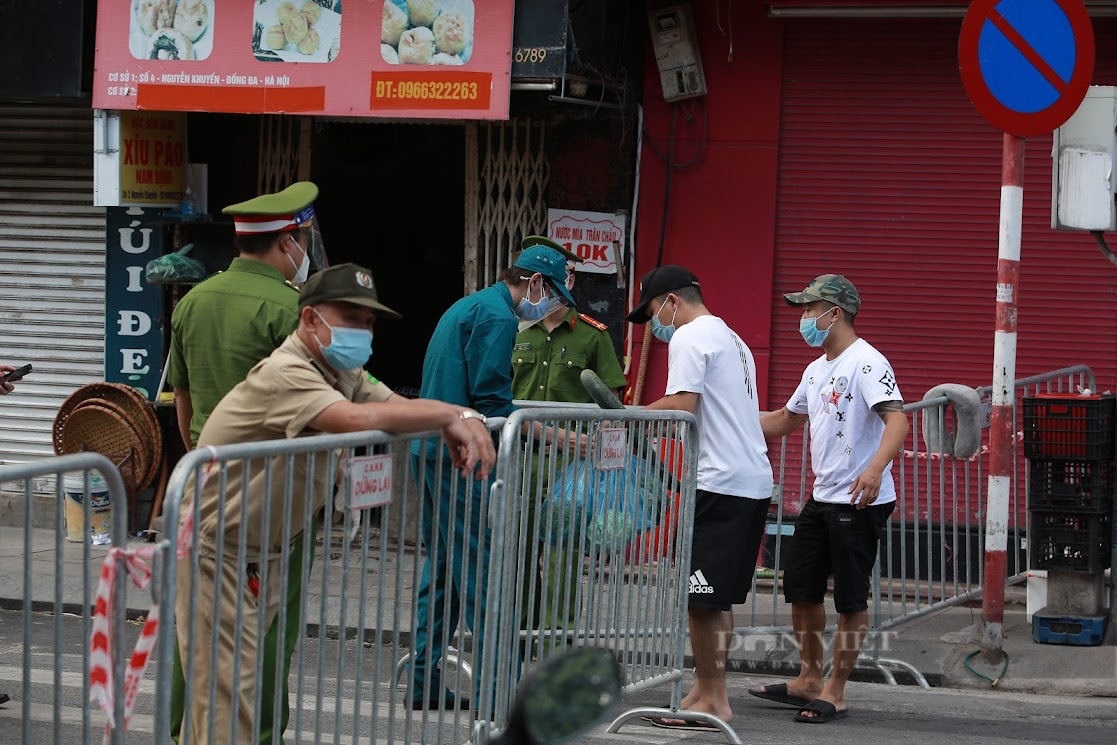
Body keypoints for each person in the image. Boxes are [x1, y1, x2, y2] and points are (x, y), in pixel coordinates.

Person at [174, 263, 495, 745]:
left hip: (266, 551)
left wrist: (461, 414)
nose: (361, 331)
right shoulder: (287, 373)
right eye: (349, 317)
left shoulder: (340, 370)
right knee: (224, 696)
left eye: (368, 323)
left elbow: (395, 405)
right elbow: (357, 417)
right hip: (217, 551)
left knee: (244, 684)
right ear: (309, 320)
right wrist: (453, 413)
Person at [167, 181, 323, 745]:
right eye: (303, 240)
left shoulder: (193, 301)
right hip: (271, 497)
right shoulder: (293, 311)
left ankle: (181, 728)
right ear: (287, 243)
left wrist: (199, 457)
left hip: (202, 480)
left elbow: (181, 397)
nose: (305, 252)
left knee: (195, 623)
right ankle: (254, 734)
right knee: (265, 624)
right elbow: (317, 405)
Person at [408, 241, 580, 710]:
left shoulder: (470, 304)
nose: (552, 305)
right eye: (554, 293)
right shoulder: (499, 317)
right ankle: (497, 691)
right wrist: (560, 438)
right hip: (461, 456)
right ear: (536, 283)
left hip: (433, 447)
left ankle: (423, 682)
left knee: (443, 568)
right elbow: (493, 403)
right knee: (479, 570)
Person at [751, 274, 908, 724]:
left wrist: (874, 469)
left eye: (808, 309)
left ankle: (835, 691)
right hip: (822, 498)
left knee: (850, 600)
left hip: (859, 501)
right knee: (801, 590)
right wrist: (729, 417)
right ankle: (806, 678)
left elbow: (896, 421)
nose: (803, 318)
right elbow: (784, 419)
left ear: (833, 313)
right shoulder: (816, 368)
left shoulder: (867, 362)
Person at [626, 266, 774, 731]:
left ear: (671, 301)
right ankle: (704, 689)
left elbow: (682, 405)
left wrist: (629, 414)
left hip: (721, 482)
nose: (656, 325)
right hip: (747, 480)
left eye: (653, 312)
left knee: (702, 598)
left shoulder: (690, 337)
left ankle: (713, 699)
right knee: (713, 599)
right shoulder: (732, 338)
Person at [510, 237, 628, 651]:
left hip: (570, 465)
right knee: (518, 549)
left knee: (561, 554)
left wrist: (606, 460)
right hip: (522, 457)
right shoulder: (514, 332)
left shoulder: (592, 338)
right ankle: (519, 636)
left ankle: (557, 644)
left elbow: (613, 403)